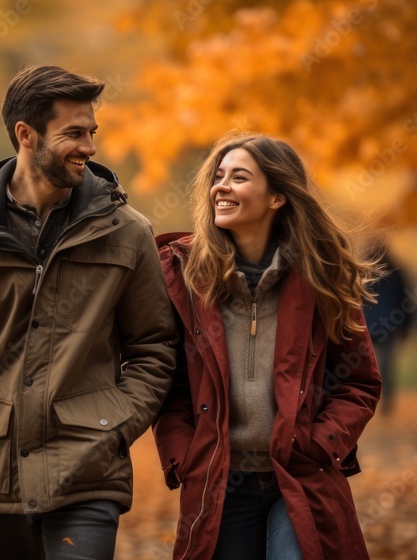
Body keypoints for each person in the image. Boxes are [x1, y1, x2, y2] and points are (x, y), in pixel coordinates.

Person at [0, 65, 177, 560]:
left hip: (88, 475)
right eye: (73, 133)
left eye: (92, 133)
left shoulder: (127, 232)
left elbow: (155, 347)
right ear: (26, 135)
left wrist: (112, 426)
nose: (89, 146)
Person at [154, 133, 382, 560]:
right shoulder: (184, 277)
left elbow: (358, 383)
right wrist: (184, 457)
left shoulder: (323, 277)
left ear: (277, 196)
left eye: (238, 177)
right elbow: (170, 385)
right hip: (219, 483)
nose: (221, 187)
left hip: (298, 478)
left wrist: (319, 443)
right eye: (218, 176)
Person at [363, 244, 412, 413]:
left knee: (369, 367)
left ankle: (371, 402)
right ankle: (386, 402)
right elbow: (406, 301)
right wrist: (405, 325)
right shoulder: (397, 273)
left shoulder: (363, 270)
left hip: (369, 326)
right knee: (386, 366)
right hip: (389, 325)